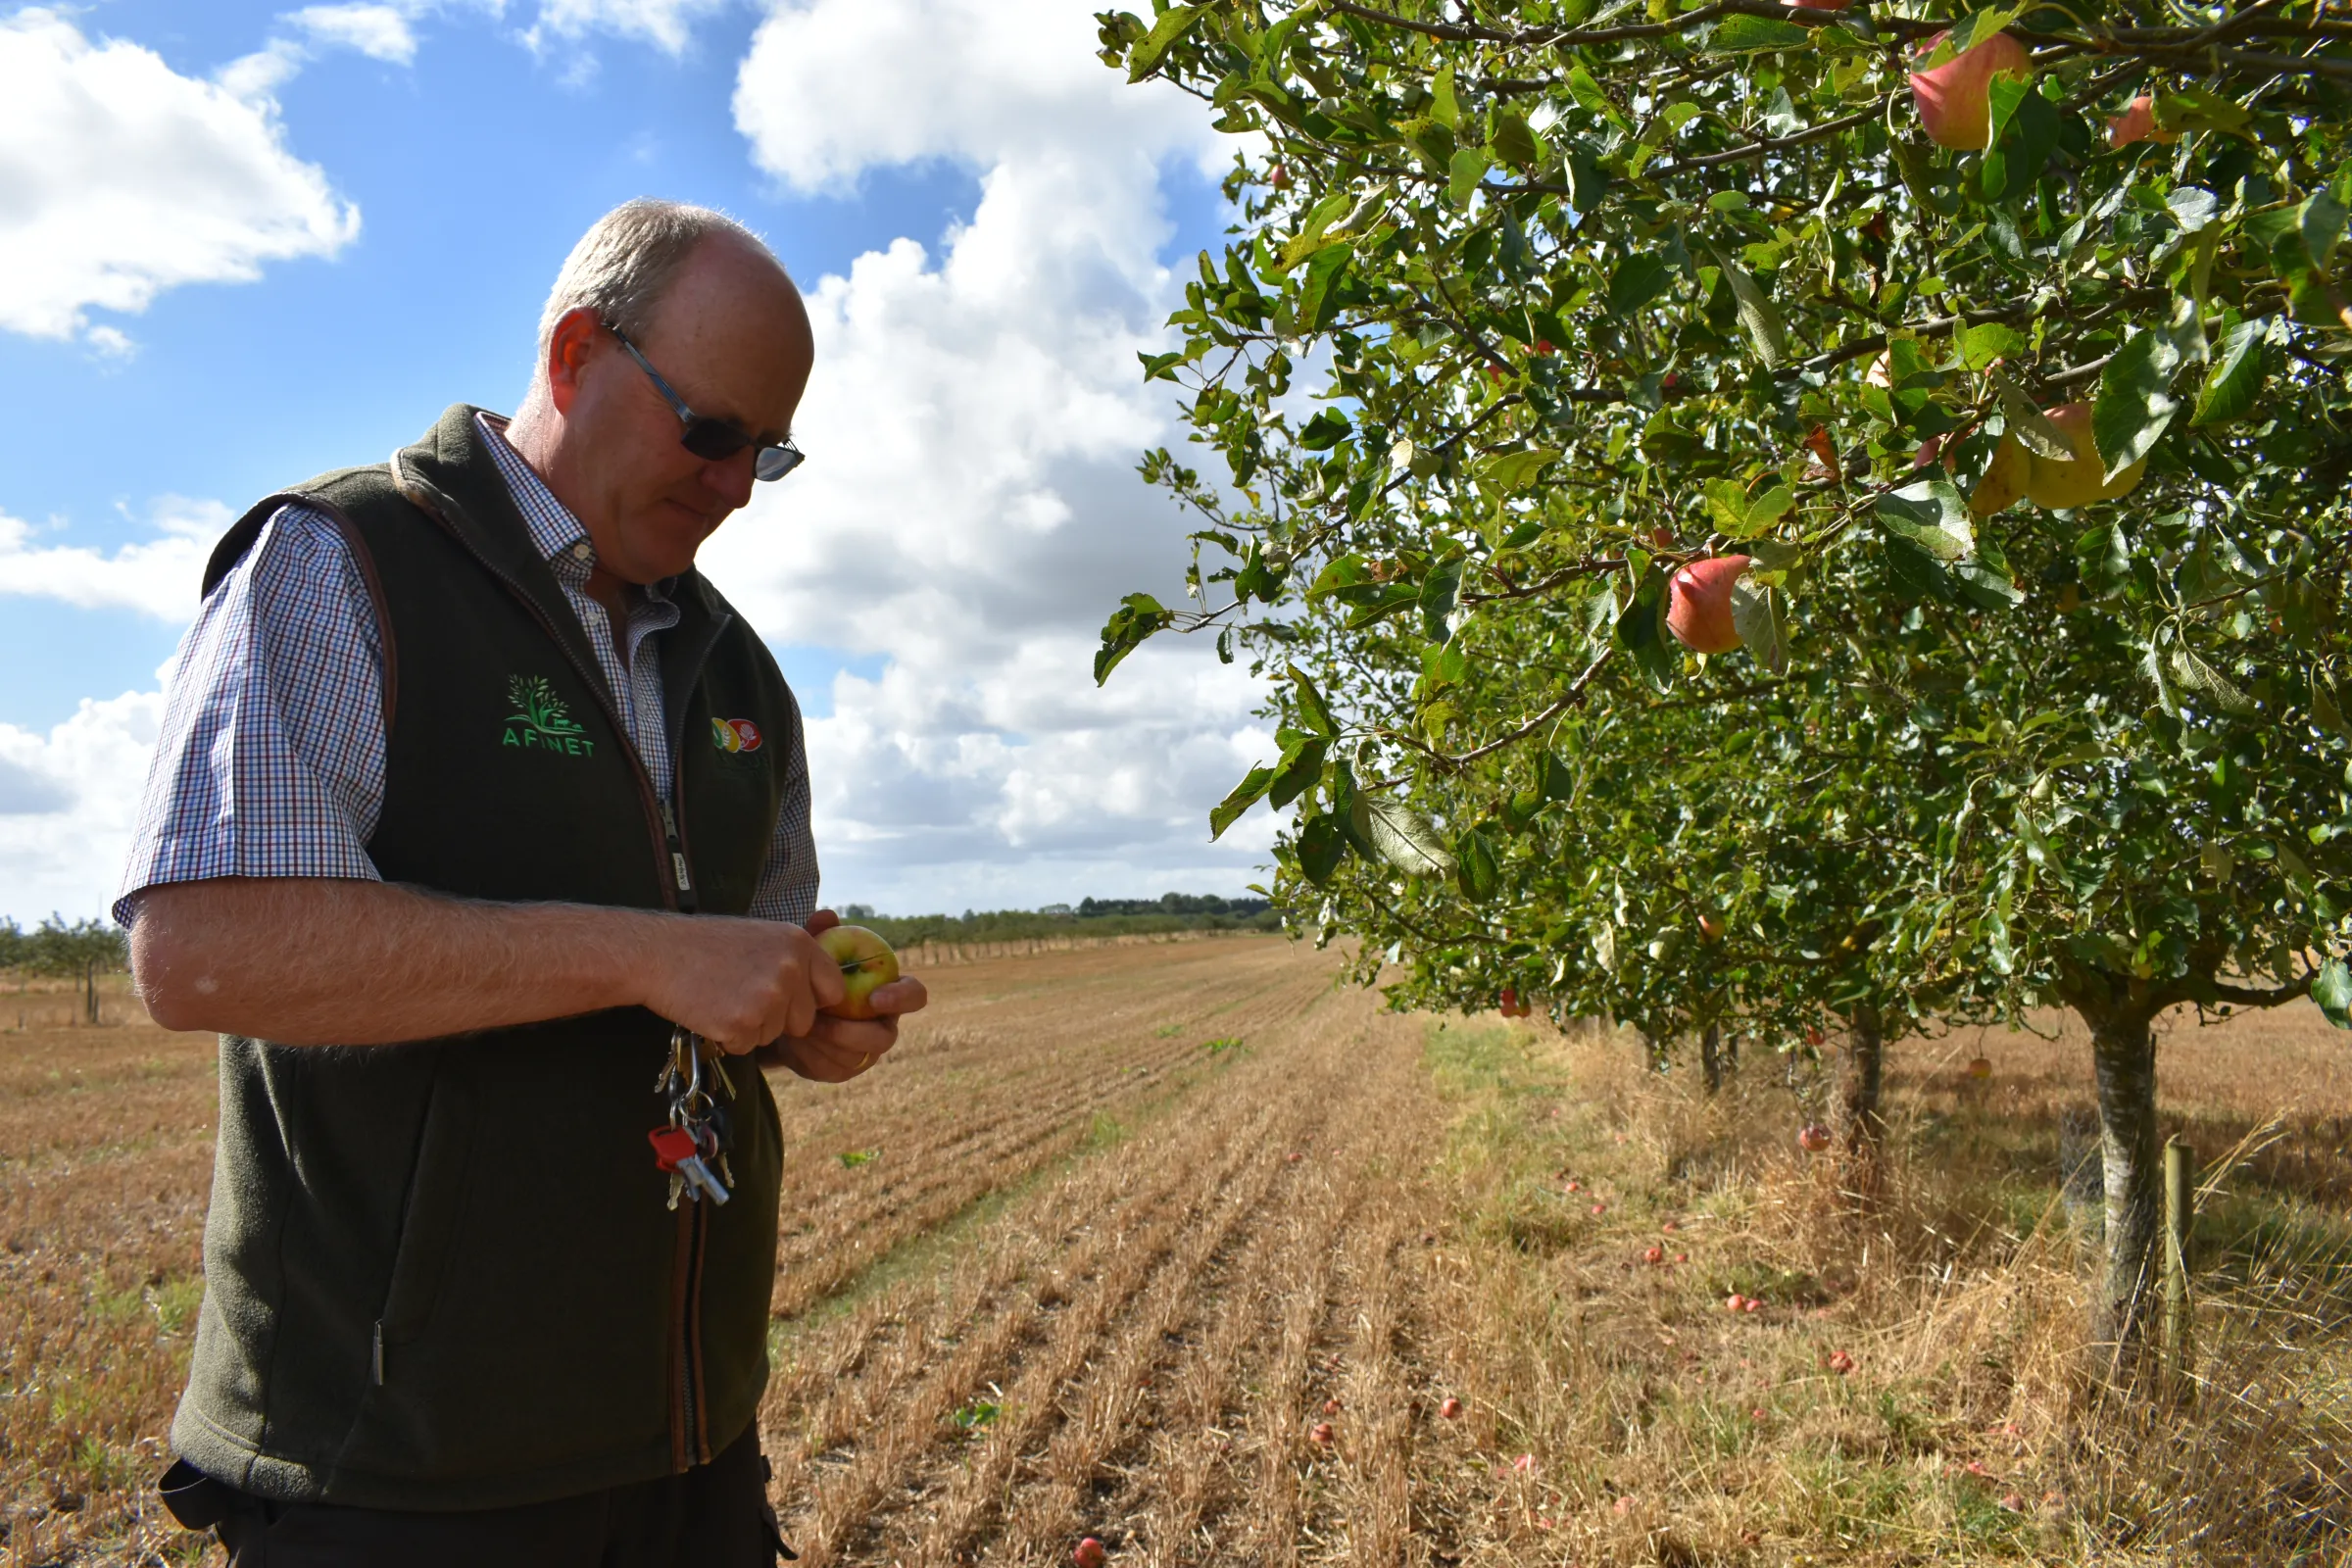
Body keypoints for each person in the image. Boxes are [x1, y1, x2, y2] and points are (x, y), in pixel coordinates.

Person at [116, 198, 926, 1566]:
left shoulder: (738, 675)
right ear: (573, 357)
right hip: (404, 1479)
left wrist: (801, 1019)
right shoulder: (341, 562)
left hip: (689, 1450)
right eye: (711, 431)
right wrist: (644, 954)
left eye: (766, 454)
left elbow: (738, 974)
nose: (734, 485)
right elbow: (203, 948)